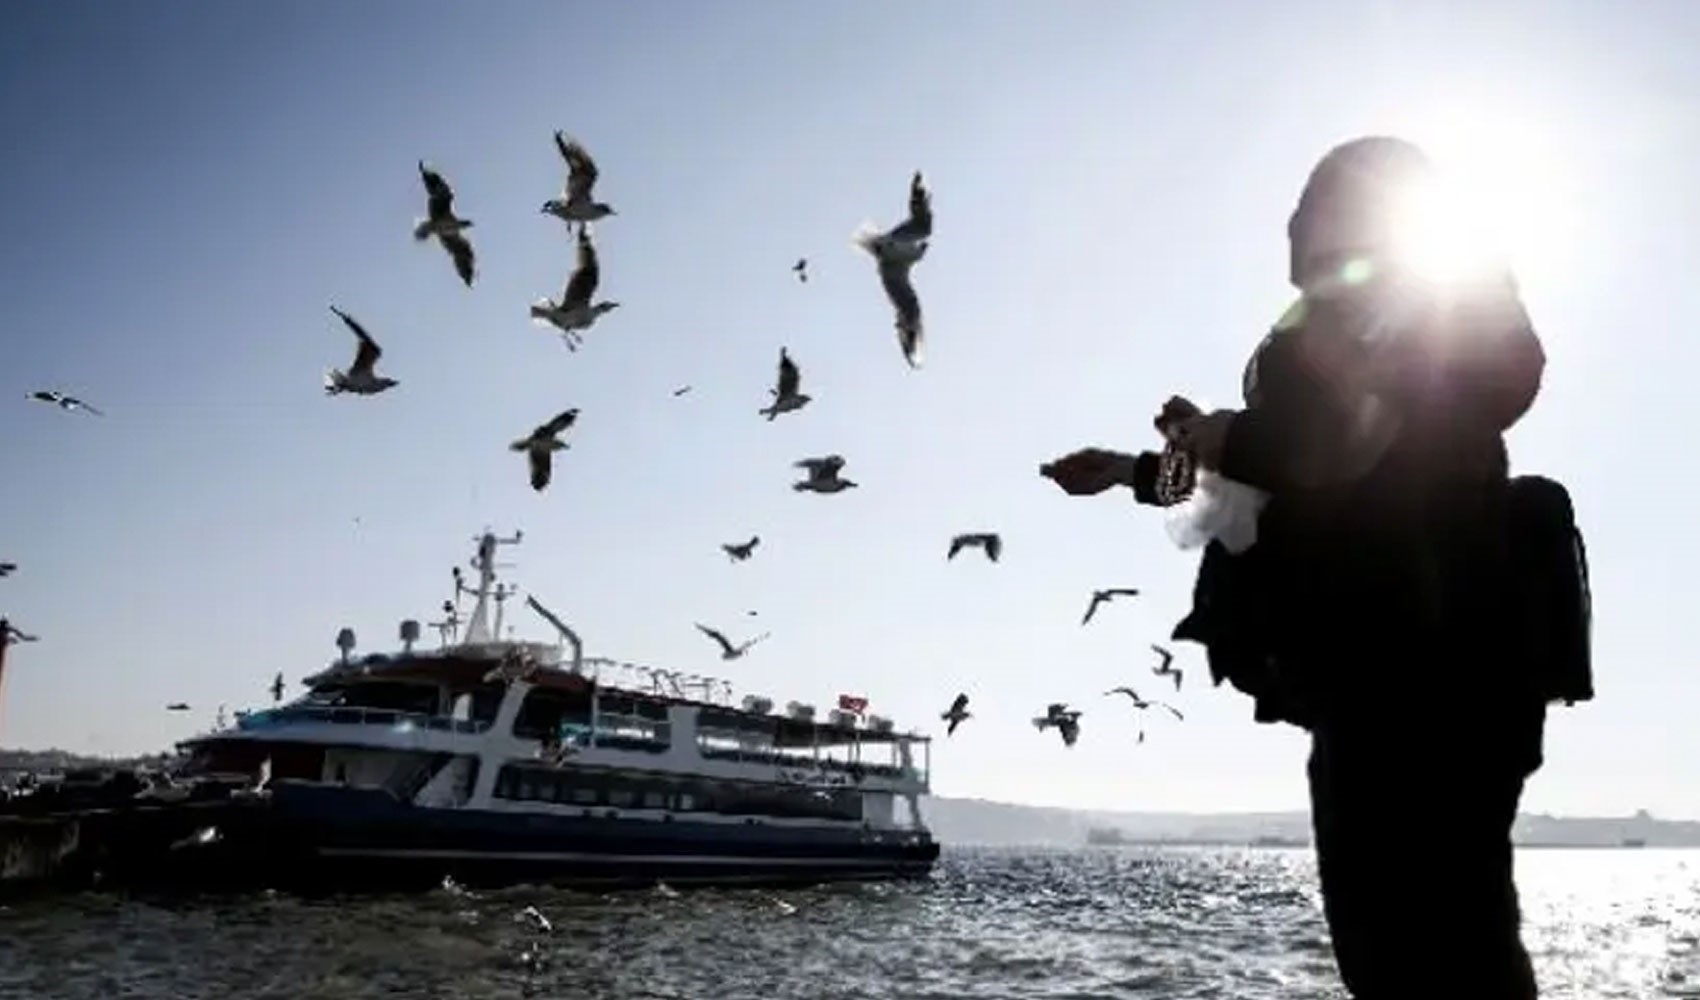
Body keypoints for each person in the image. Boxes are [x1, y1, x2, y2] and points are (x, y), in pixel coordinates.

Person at [1044, 136, 1573, 999]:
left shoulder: (1427, 314)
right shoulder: (1342, 321)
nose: (1293, 240)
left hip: (1416, 683)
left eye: (1310, 217)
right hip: (1386, 685)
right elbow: (1270, 480)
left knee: (1432, 950)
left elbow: (1333, 450)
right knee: (1427, 949)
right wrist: (1125, 470)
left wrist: (1225, 435)